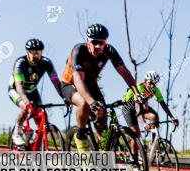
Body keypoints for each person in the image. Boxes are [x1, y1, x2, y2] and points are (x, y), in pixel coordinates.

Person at [60, 24, 140, 152]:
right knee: (85, 104)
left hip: (91, 85)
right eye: (94, 42)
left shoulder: (109, 51)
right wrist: (91, 102)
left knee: (102, 117)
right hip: (70, 85)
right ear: (87, 41)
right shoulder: (78, 50)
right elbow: (78, 80)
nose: (98, 46)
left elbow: (124, 71)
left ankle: (103, 150)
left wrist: (137, 93)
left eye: (101, 43)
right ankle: (81, 138)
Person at [8, 39, 66, 147]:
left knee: (42, 119)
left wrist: (65, 98)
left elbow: (56, 82)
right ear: (27, 53)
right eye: (33, 52)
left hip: (32, 91)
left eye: (38, 52)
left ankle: (34, 140)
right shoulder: (20, 63)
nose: (36, 55)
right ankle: (17, 132)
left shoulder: (46, 63)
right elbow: (19, 87)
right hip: (16, 90)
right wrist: (27, 102)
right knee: (26, 107)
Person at [122, 70, 179, 136]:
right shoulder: (140, 87)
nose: (152, 86)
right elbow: (137, 105)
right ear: (145, 81)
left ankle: (154, 143)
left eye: (155, 83)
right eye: (150, 83)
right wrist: (143, 123)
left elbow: (163, 104)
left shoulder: (155, 90)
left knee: (155, 117)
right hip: (128, 109)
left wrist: (172, 117)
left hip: (140, 106)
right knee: (136, 136)